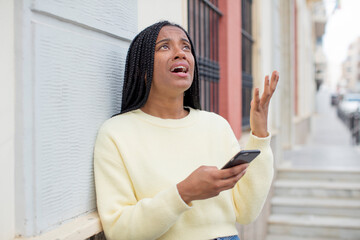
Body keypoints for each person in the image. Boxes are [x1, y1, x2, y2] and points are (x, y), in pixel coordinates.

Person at [94, 21, 279, 240]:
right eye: (164, 46)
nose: (180, 53)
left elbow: (246, 212)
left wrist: (259, 136)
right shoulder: (116, 133)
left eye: (186, 47)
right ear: (142, 69)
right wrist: (185, 192)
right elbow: (119, 230)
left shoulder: (216, 125)